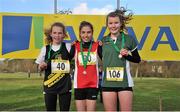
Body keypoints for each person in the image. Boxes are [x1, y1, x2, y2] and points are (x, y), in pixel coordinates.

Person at [101, 8, 141, 111]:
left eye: (116, 23)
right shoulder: (103, 41)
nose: (113, 26)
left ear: (121, 23)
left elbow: (137, 59)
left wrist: (127, 55)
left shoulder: (129, 39)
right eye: (110, 23)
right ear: (107, 25)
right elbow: (101, 57)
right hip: (108, 83)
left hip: (125, 83)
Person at [35, 22, 72, 111]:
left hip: (65, 86)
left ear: (64, 35)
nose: (57, 35)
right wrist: (41, 67)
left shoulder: (68, 46)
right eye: (54, 33)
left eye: (60, 33)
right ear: (51, 34)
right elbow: (38, 67)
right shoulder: (45, 49)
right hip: (49, 85)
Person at [70, 21, 102, 111]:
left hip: (92, 84)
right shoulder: (75, 46)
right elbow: (66, 59)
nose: (86, 35)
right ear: (80, 33)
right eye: (83, 32)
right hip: (79, 84)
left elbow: (106, 59)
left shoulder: (97, 46)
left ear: (92, 33)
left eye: (88, 32)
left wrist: (103, 46)